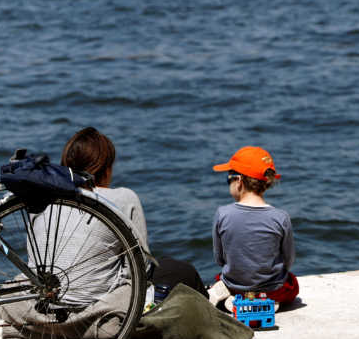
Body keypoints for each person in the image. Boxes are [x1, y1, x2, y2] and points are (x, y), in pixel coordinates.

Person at [61, 127, 206, 300]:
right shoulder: (123, 198)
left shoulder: (44, 199)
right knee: (180, 270)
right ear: (106, 169)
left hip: (50, 300)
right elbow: (139, 269)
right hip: (98, 302)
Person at [210, 146, 298, 312]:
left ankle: (233, 298)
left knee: (221, 277)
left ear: (239, 181)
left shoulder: (222, 214)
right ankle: (268, 302)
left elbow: (220, 259)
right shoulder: (281, 217)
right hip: (272, 290)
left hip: (236, 287)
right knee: (292, 284)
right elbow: (289, 260)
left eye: (228, 179)